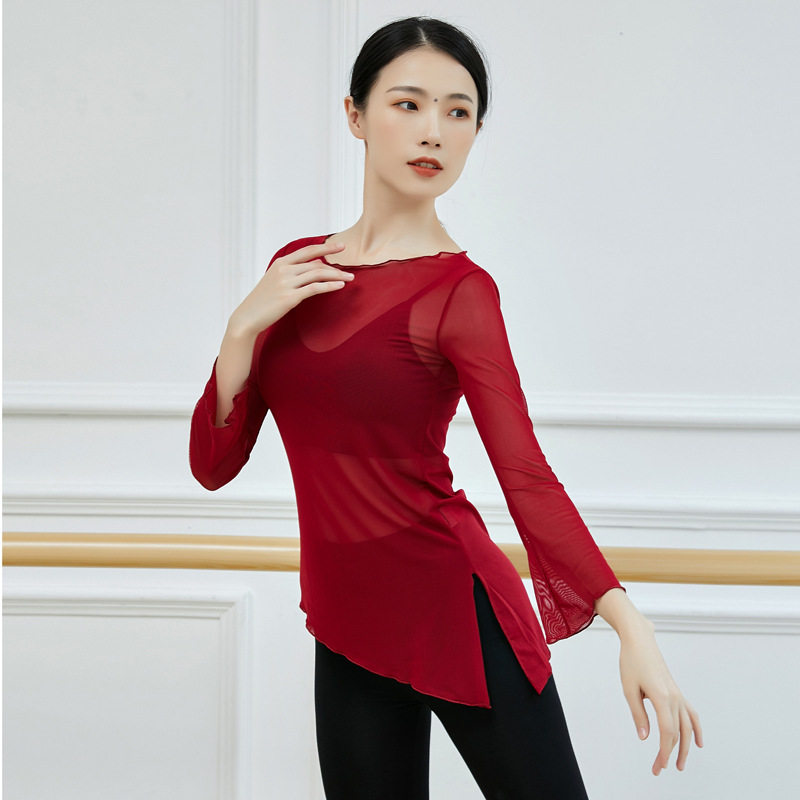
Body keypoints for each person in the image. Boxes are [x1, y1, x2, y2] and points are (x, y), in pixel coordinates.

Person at [189, 15, 703, 799]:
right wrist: (239, 330)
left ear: (475, 132)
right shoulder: (294, 271)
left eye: (458, 112)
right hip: (347, 621)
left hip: (458, 613)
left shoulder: (461, 293)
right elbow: (213, 467)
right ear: (356, 115)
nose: (434, 130)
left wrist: (631, 626)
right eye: (408, 104)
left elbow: (525, 474)